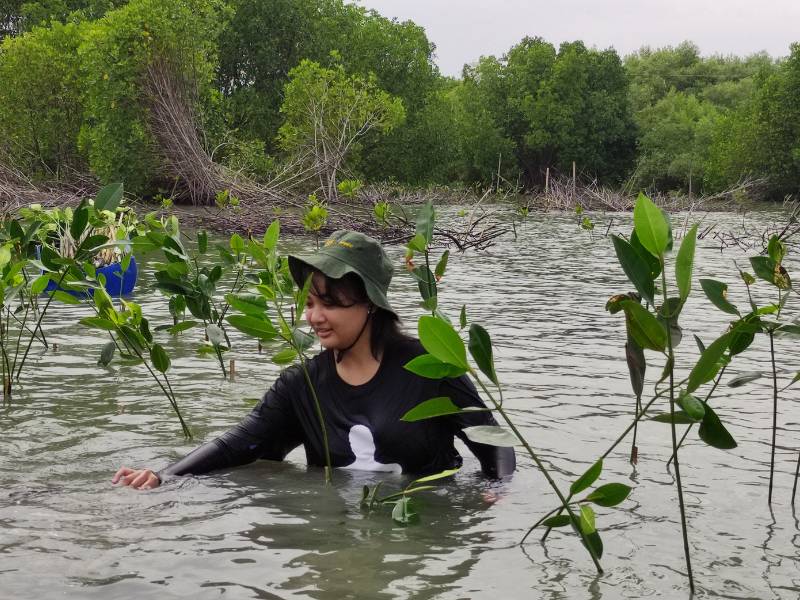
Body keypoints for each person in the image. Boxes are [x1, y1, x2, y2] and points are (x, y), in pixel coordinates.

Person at [112, 230, 516, 490]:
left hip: (423, 529)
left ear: (371, 305)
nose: (314, 317)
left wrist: (496, 498)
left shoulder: (430, 367)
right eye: (308, 302)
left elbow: (495, 448)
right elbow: (238, 445)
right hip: (337, 529)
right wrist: (165, 476)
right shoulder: (301, 385)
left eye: (329, 303)